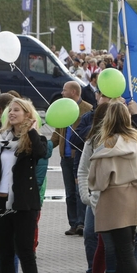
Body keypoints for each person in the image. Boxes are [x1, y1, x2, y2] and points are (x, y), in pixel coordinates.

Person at [86, 102, 137, 273]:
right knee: (127, 251)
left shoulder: (109, 144)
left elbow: (97, 180)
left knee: (123, 253)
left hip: (114, 199)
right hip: (134, 196)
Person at [0, 98, 47, 273]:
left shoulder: (33, 139)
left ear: (27, 114)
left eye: (16, 110)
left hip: (24, 204)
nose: (11, 113)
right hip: (2, 203)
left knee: (25, 253)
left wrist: (34, 129)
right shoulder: (2, 138)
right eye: (10, 110)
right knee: (5, 253)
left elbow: (41, 153)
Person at [51, 81, 93, 237]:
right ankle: (73, 223)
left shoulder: (87, 109)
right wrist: (48, 146)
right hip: (65, 157)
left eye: (64, 90)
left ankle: (82, 223)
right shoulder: (62, 107)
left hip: (80, 157)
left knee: (79, 191)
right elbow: (57, 132)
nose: (62, 93)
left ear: (74, 92)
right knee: (69, 193)